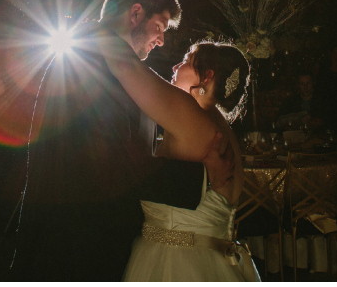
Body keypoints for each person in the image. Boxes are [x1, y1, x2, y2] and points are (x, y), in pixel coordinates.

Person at [13, 0, 234, 281]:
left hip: (85, 235)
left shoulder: (109, 64)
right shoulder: (89, 65)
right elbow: (111, 166)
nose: (160, 40)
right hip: (77, 244)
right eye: (159, 26)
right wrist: (202, 177)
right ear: (136, 13)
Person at [101, 40, 259, 281]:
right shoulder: (221, 126)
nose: (176, 65)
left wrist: (101, 31)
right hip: (214, 261)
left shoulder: (191, 115)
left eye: (186, 61)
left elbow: (128, 69)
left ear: (206, 77)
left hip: (177, 263)